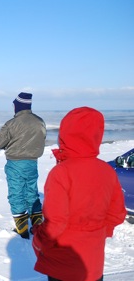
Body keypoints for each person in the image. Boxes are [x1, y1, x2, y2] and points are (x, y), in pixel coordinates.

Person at [31, 107, 127, 281]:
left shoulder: (61, 172)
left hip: (62, 265)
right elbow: (117, 214)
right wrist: (96, 233)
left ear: (65, 134)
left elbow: (56, 222)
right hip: (93, 265)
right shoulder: (107, 171)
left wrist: (38, 241)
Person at [0, 92, 46, 239]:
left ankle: (22, 229)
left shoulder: (11, 124)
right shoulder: (39, 121)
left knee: (16, 193)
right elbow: (42, 138)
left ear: (17, 106)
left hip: (15, 163)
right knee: (32, 192)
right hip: (32, 162)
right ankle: (37, 226)